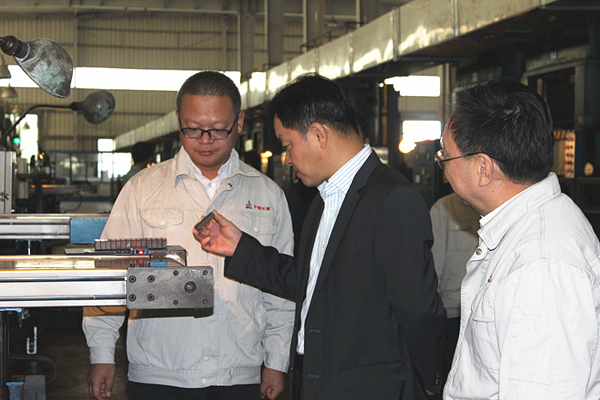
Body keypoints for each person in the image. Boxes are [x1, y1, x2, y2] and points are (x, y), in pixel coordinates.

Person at [194, 73, 446, 400]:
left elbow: (419, 309)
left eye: (287, 145)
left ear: (318, 134)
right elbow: (311, 282)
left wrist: (432, 380)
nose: (287, 158)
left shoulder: (391, 199)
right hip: (320, 382)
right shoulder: (325, 198)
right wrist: (240, 247)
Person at [83, 71, 295, 400]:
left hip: (239, 372)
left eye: (218, 129)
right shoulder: (142, 190)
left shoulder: (268, 196)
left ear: (239, 122)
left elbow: (281, 291)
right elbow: (110, 275)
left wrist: (277, 360)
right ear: (178, 120)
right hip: (160, 372)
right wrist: (101, 354)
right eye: (192, 129)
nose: (205, 140)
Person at [437, 79, 600, 399]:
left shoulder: (541, 264)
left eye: (446, 156)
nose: (442, 166)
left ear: (483, 169)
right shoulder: (527, 230)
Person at [429, 192, 479, 377]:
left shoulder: (495, 204)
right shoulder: (444, 208)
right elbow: (435, 265)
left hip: (478, 311)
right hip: (452, 314)